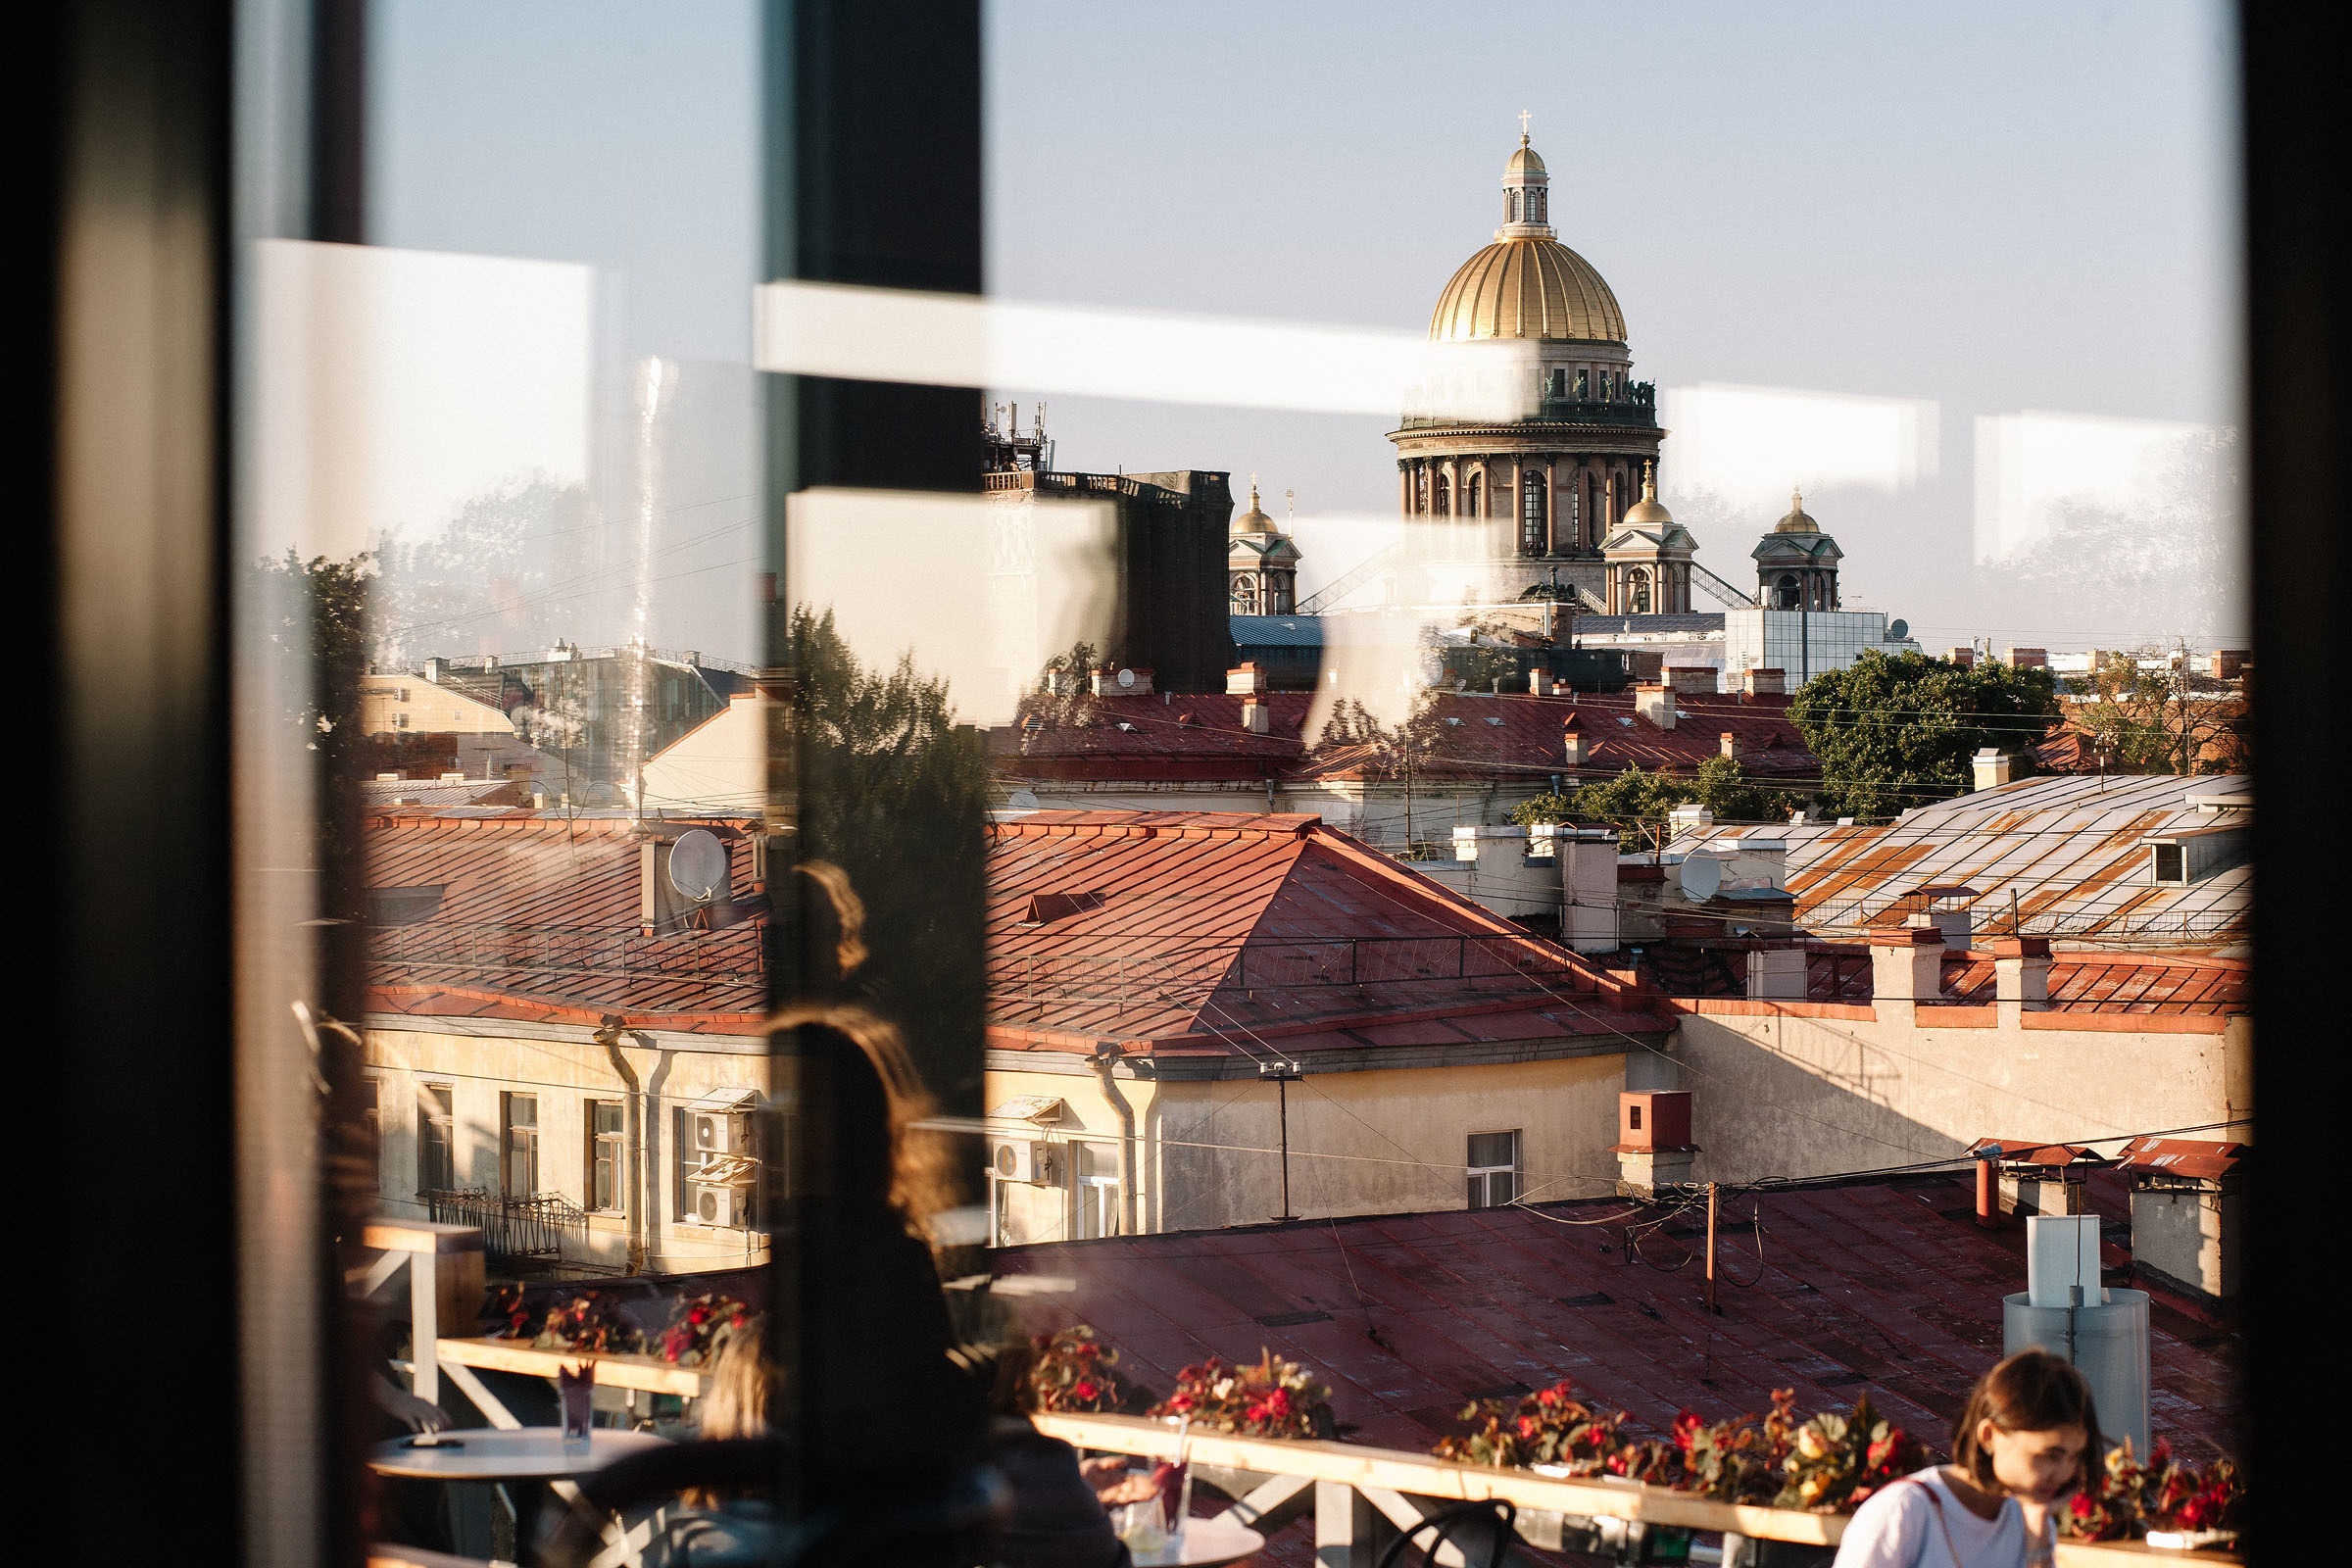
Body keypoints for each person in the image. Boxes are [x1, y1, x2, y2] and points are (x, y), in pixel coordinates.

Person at [1833, 1350, 2101, 1568]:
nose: (2063, 1472)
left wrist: (2038, 1532)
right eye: (2049, 1455)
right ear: (1989, 1436)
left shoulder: (2029, 1515)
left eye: (2074, 1456)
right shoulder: (1905, 1511)